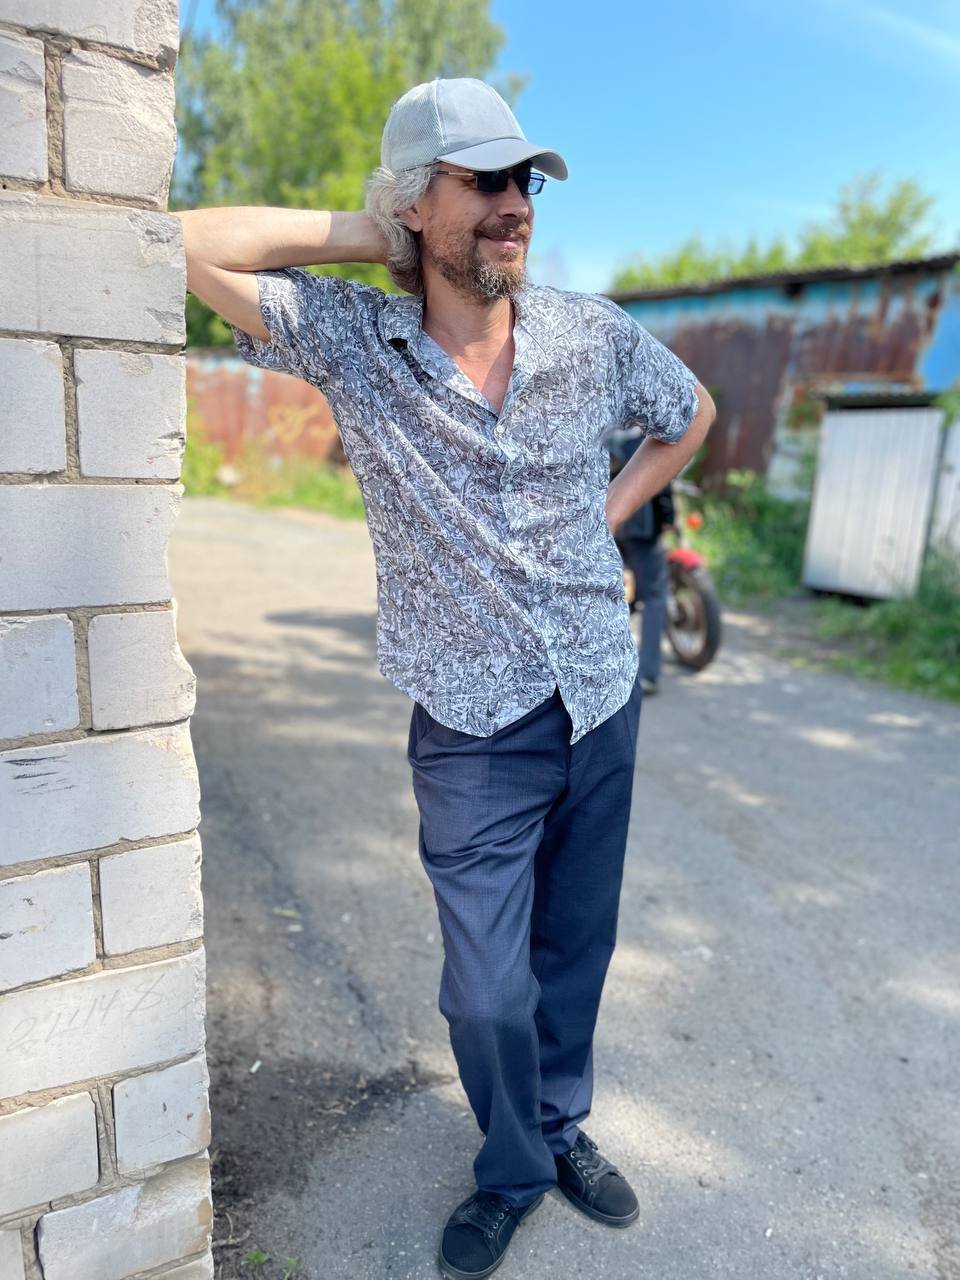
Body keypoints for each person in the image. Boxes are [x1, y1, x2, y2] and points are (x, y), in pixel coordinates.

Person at [177, 76, 715, 1280]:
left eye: (527, 180)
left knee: (575, 948)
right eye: (486, 180)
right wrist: (372, 233)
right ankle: (512, 1165)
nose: (518, 203)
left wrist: (607, 515)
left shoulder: (589, 333)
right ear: (418, 201)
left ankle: (558, 1128)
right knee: (485, 990)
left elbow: (691, 413)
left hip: (598, 695)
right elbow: (184, 241)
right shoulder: (355, 342)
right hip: (472, 725)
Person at [607, 426, 678, 694]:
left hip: (608, 525)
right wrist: (668, 517)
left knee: (613, 595)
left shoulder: (605, 433)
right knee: (656, 596)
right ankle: (647, 674)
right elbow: (662, 480)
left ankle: (611, 670)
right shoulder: (649, 435)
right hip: (641, 526)